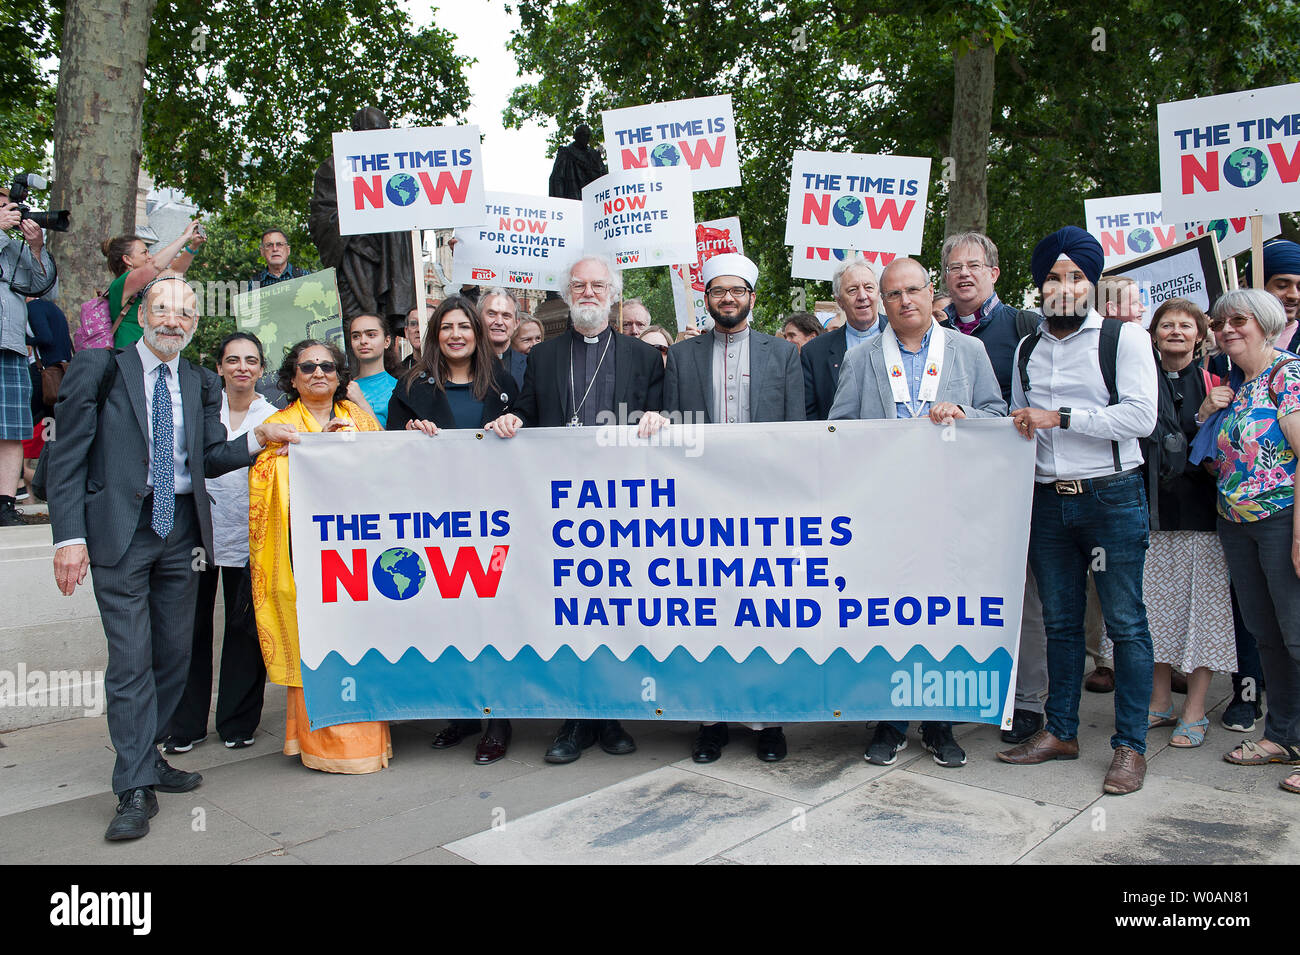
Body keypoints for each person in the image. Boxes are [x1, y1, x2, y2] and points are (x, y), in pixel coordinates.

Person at [46, 275, 297, 840]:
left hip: (183, 535)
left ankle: (149, 754)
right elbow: (66, 458)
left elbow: (208, 457)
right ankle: (132, 786)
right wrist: (68, 537)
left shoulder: (201, 381)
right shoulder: (100, 367)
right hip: (119, 534)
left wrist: (263, 439)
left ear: (194, 324)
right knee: (131, 659)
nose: (173, 321)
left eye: (185, 313)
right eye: (163, 309)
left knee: (175, 657)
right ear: (142, 312)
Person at [997, 226, 1158, 796]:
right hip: (1046, 500)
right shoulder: (1025, 348)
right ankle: (1061, 731)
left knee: (1126, 625)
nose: (1064, 287)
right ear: (1040, 286)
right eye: (1052, 278)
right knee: (1061, 624)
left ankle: (1130, 747)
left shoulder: (1123, 339)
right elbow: (1019, 418)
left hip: (1110, 496)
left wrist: (1061, 417)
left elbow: (1141, 419)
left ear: (1091, 283)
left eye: (1076, 277)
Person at [486, 254, 664, 764]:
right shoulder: (541, 358)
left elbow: (664, 414)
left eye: (597, 285)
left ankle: (609, 716)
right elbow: (526, 408)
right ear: (567, 293)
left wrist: (658, 416)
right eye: (579, 285)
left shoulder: (643, 357)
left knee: (612, 608)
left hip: (621, 506)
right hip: (559, 508)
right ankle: (574, 719)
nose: (588, 292)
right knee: (567, 611)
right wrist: (511, 421)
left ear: (613, 292)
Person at [829, 257, 1006, 768]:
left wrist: (964, 413)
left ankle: (939, 722)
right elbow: (839, 427)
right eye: (893, 295)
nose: (904, 301)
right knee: (887, 613)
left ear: (933, 295)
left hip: (951, 506)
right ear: (883, 304)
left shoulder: (968, 351)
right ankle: (889, 719)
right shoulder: (863, 358)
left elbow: (997, 413)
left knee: (942, 611)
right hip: (884, 509)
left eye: (913, 290)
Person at [661, 251, 804, 763]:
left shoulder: (784, 356)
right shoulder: (680, 357)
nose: (728, 299)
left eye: (737, 291)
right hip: (700, 506)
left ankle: (768, 723)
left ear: (752, 297)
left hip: (764, 505)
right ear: (707, 299)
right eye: (719, 291)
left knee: (764, 612)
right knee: (706, 612)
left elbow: (795, 434)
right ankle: (710, 720)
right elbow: (675, 433)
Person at [248, 338, 392, 774]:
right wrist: (301, 455)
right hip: (300, 557)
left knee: (357, 641)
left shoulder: (361, 423)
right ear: (292, 378)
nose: (318, 373)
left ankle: (369, 741)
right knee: (312, 641)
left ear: (340, 376)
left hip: (358, 557)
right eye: (307, 366)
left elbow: (389, 473)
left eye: (327, 366)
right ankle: (317, 743)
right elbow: (262, 486)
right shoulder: (277, 425)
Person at [388, 296, 520, 764]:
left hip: (496, 521)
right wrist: (408, 434)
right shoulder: (411, 385)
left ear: (478, 332)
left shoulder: (503, 383)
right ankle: (462, 713)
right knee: (452, 616)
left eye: (465, 326)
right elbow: (387, 450)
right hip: (439, 523)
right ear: (435, 335)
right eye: (447, 327)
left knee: (494, 617)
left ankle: (498, 719)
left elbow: (532, 440)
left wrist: (514, 422)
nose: (457, 334)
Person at [1104, 299, 1234, 748]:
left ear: (1201, 335)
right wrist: (1198, 418)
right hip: (1148, 511)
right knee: (1153, 613)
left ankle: (1195, 709)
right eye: (1166, 325)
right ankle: (1158, 702)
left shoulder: (1222, 381)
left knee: (1202, 614)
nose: (1175, 331)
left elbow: (1217, 451)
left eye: (1185, 325)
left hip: (1202, 516)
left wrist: (1205, 420)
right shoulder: (1137, 380)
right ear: (1153, 334)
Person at [937, 230, 1046, 743]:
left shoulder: (1027, 328)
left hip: (1013, 487)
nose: (964, 274)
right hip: (947, 493)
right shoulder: (932, 335)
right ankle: (968, 689)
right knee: (960, 596)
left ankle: (1028, 701)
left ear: (994, 273)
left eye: (974, 266)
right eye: (954, 267)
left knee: (1021, 595)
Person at [1200, 289, 1300, 796]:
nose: (1227, 329)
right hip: (1235, 524)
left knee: (1297, 632)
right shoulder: (1237, 383)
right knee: (1267, 635)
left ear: (1264, 324)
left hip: (1282, 521)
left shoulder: (1288, 374)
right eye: (1220, 323)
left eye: (1239, 320)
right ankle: (1282, 735)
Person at [164, 332, 277, 753]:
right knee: (188, 631)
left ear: (261, 369)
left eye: (251, 360)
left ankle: (237, 721)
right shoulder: (198, 412)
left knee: (245, 630)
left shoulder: (274, 415)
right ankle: (185, 724)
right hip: (196, 534)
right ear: (219, 368)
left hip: (252, 534)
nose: (242, 368)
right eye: (232, 360)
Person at [2, 189, 57, 525]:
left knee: (10, 431)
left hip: (11, 346)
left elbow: (46, 290)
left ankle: (5, 503)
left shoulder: (12, 247)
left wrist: (36, 249)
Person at [801, 257, 885, 420]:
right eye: (852, 290)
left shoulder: (901, 335)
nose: (862, 296)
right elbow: (809, 418)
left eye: (868, 287)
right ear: (839, 300)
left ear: (878, 293)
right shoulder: (814, 353)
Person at [102, 225, 205, 349]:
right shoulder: (122, 284)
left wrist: (194, 245)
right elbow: (155, 265)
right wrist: (185, 237)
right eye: (144, 252)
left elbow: (175, 270)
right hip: (127, 355)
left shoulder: (146, 284)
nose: (149, 256)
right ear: (127, 260)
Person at [1247, 238, 1300, 352]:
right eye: (1282, 286)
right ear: (1259, 287)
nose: (1294, 295)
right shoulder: (1229, 344)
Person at [349, 313, 397, 428]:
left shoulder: (398, 389)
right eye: (356, 336)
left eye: (371, 335)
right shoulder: (343, 387)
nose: (363, 341)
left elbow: (395, 442)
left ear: (387, 341)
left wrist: (361, 403)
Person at [548, 124, 608, 201]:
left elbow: (603, 177)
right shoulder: (566, 153)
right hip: (573, 197)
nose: (586, 138)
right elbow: (557, 179)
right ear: (576, 136)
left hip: (593, 198)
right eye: (583, 135)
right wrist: (559, 202)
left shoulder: (594, 155)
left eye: (587, 136)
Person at [481, 287, 527, 388]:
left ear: (516, 323)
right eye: (491, 314)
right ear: (478, 319)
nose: (499, 322)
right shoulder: (465, 364)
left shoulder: (531, 366)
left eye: (506, 316)